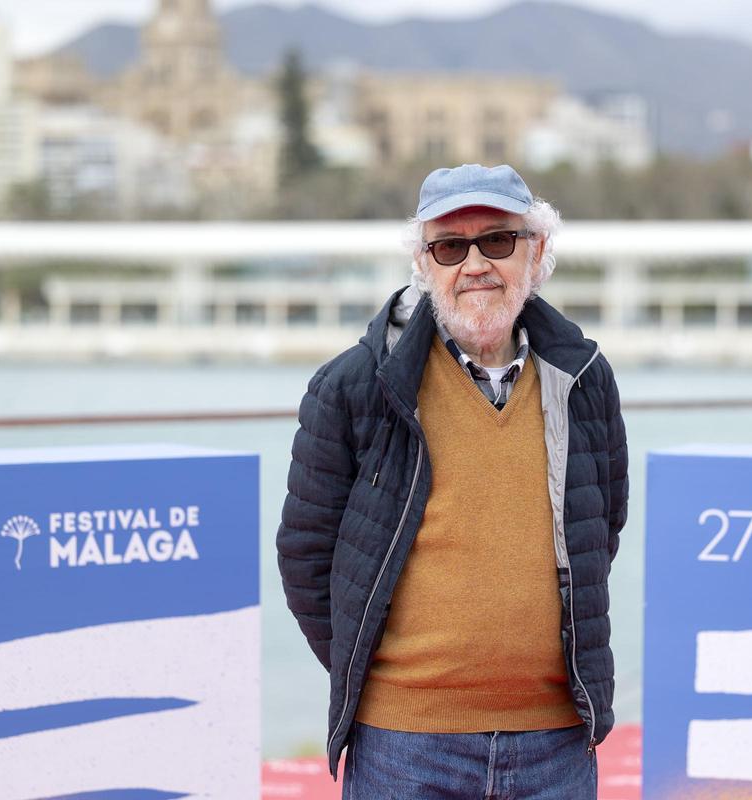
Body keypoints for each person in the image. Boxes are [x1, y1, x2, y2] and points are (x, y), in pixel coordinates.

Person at [276, 163, 628, 799]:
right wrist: (388, 681)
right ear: (424, 262)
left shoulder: (585, 380)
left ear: (537, 251)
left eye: (498, 240)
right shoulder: (354, 387)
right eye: (449, 246)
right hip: (403, 749)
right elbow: (306, 556)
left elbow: (600, 529)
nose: (475, 264)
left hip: (555, 747)